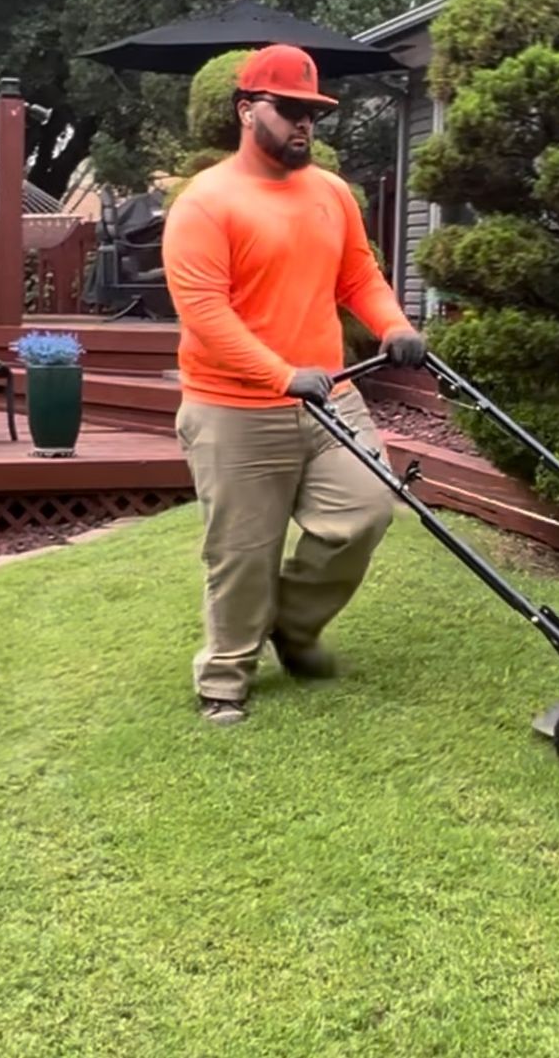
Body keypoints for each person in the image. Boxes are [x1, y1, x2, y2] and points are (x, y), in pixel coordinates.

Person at [161, 44, 427, 726]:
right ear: (248, 110)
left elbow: (358, 277)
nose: (305, 125)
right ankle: (224, 678)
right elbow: (207, 316)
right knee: (243, 554)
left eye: (314, 114)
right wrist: (281, 374)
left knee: (366, 511)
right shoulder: (206, 204)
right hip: (234, 410)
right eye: (291, 111)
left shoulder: (331, 193)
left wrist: (392, 323)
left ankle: (294, 627)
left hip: (330, 396)